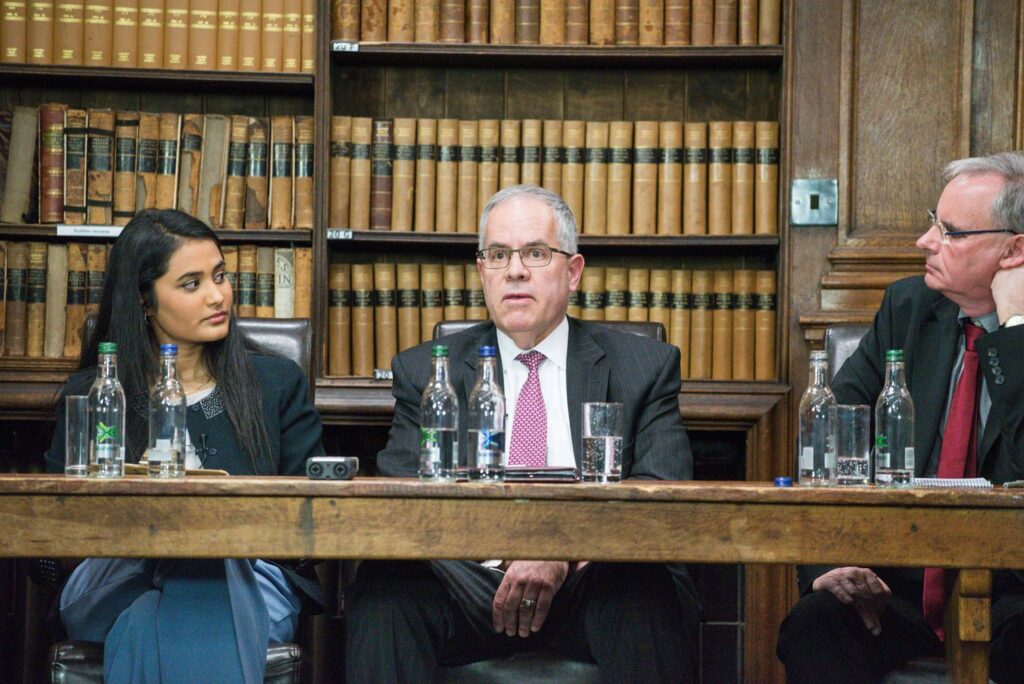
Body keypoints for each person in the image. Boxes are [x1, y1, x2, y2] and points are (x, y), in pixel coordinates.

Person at [344, 185, 702, 682]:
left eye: (535, 253)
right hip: (469, 581)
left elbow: (663, 497)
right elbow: (408, 504)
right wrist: (505, 551)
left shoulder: (643, 367)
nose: (514, 270)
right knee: (386, 587)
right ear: (482, 272)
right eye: (497, 255)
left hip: (590, 581)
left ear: (573, 272)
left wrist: (559, 548)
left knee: (641, 582)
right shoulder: (425, 371)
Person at [43, 209, 325, 682]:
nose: (218, 296)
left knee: (171, 597)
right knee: (181, 569)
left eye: (220, 276)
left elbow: (312, 531)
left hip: (247, 583)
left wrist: (216, 541)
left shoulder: (276, 385)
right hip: (114, 578)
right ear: (145, 302)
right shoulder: (92, 394)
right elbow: (47, 549)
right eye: (191, 283)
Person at [777, 152, 1024, 683]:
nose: (926, 241)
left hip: (1013, 596)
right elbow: (829, 440)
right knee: (814, 626)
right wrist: (833, 566)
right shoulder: (908, 309)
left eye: (951, 232)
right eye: (934, 222)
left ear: (1015, 250)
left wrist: (1014, 329)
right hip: (900, 587)